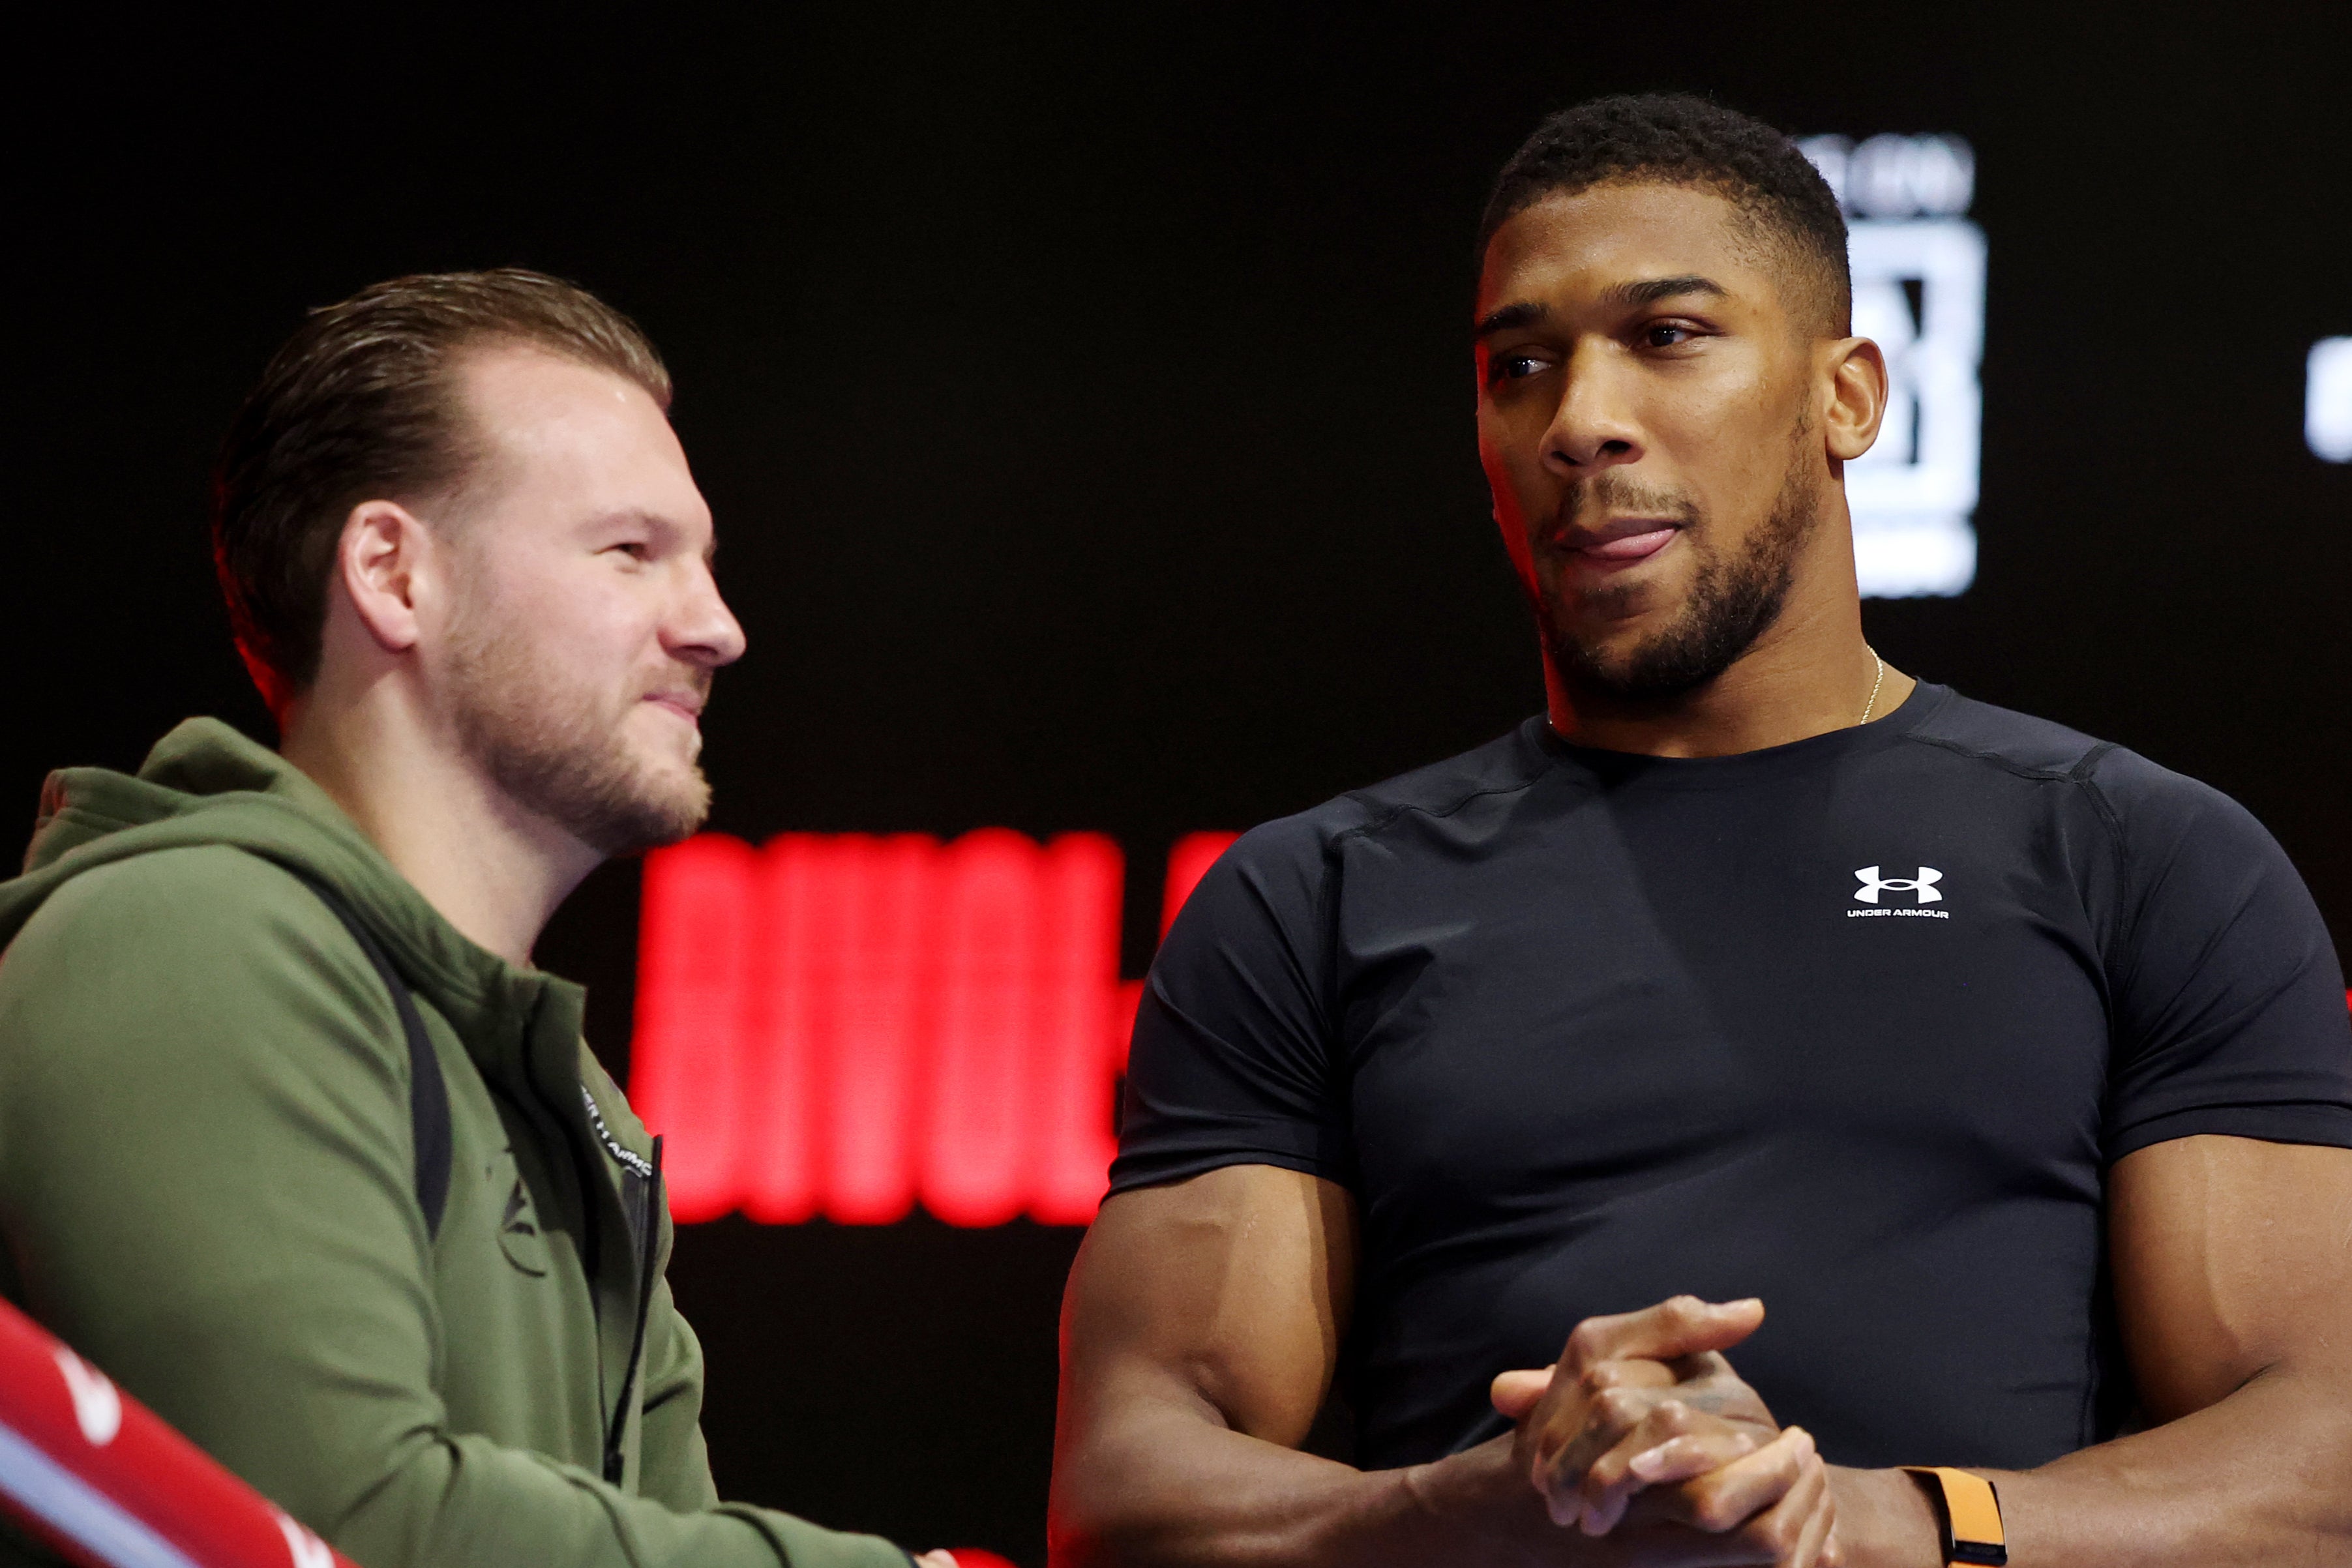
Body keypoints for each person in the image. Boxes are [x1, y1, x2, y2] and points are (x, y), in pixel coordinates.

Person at [1049, 95, 2352, 1567]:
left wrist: (1877, 1521)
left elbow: (2317, 1475)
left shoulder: (2142, 862)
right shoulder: (1309, 902)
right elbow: (1128, 1494)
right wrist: (1483, 1499)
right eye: (1519, 367)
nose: (1579, 421)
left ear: (1849, 398)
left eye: (1666, 338)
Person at [0, 271, 952, 1568]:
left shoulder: (585, 1111)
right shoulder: (184, 937)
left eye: (706, 566)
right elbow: (337, 1533)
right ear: (394, 574)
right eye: (631, 552)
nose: (717, 629)